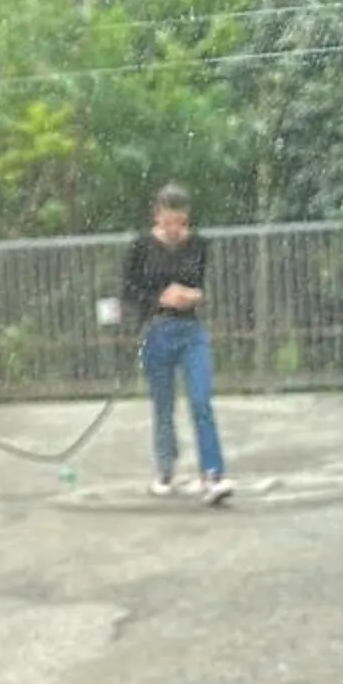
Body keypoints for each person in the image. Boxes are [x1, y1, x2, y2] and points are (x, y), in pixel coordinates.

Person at [119, 184, 234, 503]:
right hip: (156, 330)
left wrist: (193, 296)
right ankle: (166, 467)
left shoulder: (198, 245)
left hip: (190, 329)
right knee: (163, 404)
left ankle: (213, 473)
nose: (174, 229)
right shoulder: (141, 247)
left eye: (180, 222)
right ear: (157, 216)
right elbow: (129, 293)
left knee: (201, 400)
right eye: (168, 222)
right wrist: (159, 298)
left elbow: (203, 285)